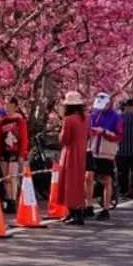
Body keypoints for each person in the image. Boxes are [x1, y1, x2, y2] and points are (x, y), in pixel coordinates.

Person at [86, 93, 122, 221]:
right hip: (92, 150)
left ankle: (105, 209)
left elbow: (119, 135)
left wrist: (105, 132)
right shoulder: (93, 115)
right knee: (88, 178)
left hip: (107, 152)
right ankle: (89, 206)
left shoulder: (116, 117)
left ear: (109, 104)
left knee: (107, 180)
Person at [56, 91, 89, 225]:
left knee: (68, 181)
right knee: (78, 181)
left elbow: (64, 139)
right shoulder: (86, 118)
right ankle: (77, 211)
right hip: (82, 151)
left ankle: (73, 212)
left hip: (70, 153)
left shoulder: (68, 120)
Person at [0, 97, 28, 213]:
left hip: (15, 152)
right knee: (5, 178)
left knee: (12, 177)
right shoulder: (0, 121)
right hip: (3, 152)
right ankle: (8, 199)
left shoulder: (20, 121)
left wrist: (22, 155)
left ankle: (13, 200)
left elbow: (24, 138)